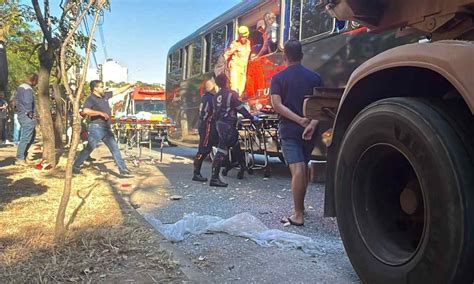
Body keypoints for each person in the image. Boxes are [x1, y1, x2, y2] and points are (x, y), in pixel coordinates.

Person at [270, 39, 323, 226]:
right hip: (310, 131)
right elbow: (321, 106)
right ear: (302, 55)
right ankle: (301, 207)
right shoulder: (315, 77)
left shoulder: (278, 78)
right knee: (304, 167)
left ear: (285, 57)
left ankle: (298, 214)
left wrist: (299, 120)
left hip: (289, 129)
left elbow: (277, 105)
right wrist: (312, 124)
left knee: (298, 169)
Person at [73, 80, 134, 176]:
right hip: (96, 127)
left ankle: (123, 170)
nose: (103, 88)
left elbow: (118, 90)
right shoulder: (91, 99)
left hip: (106, 128)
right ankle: (76, 166)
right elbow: (85, 110)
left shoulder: (105, 96)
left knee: (115, 149)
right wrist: (100, 113)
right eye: (101, 87)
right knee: (89, 148)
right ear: (95, 88)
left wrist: (129, 85)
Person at [210, 73, 258, 187]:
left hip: (220, 124)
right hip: (228, 125)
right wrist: (252, 118)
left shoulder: (216, 96)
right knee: (222, 150)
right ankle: (214, 178)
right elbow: (240, 108)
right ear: (226, 81)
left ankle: (242, 166)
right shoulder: (231, 94)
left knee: (236, 144)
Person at [192, 80, 219, 182]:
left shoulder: (204, 97)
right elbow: (210, 113)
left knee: (218, 145)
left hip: (206, 125)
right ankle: (196, 173)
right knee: (204, 149)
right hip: (208, 125)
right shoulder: (211, 98)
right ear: (213, 88)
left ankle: (221, 169)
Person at [15, 73, 38, 165]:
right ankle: (20, 158)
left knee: (31, 136)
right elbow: (28, 101)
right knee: (26, 137)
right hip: (27, 116)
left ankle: (23, 155)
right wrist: (30, 113)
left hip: (21, 114)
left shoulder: (20, 87)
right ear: (34, 80)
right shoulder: (27, 89)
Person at [224, 26, 251, 97]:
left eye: (244, 36)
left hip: (243, 69)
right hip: (235, 68)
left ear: (247, 35)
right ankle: (233, 102)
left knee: (241, 88)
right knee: (234, 87)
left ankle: (237, 101)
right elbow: (226, 55)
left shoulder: (249, 43)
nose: (242, 38)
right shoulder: (235, 44)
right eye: (241, 36)